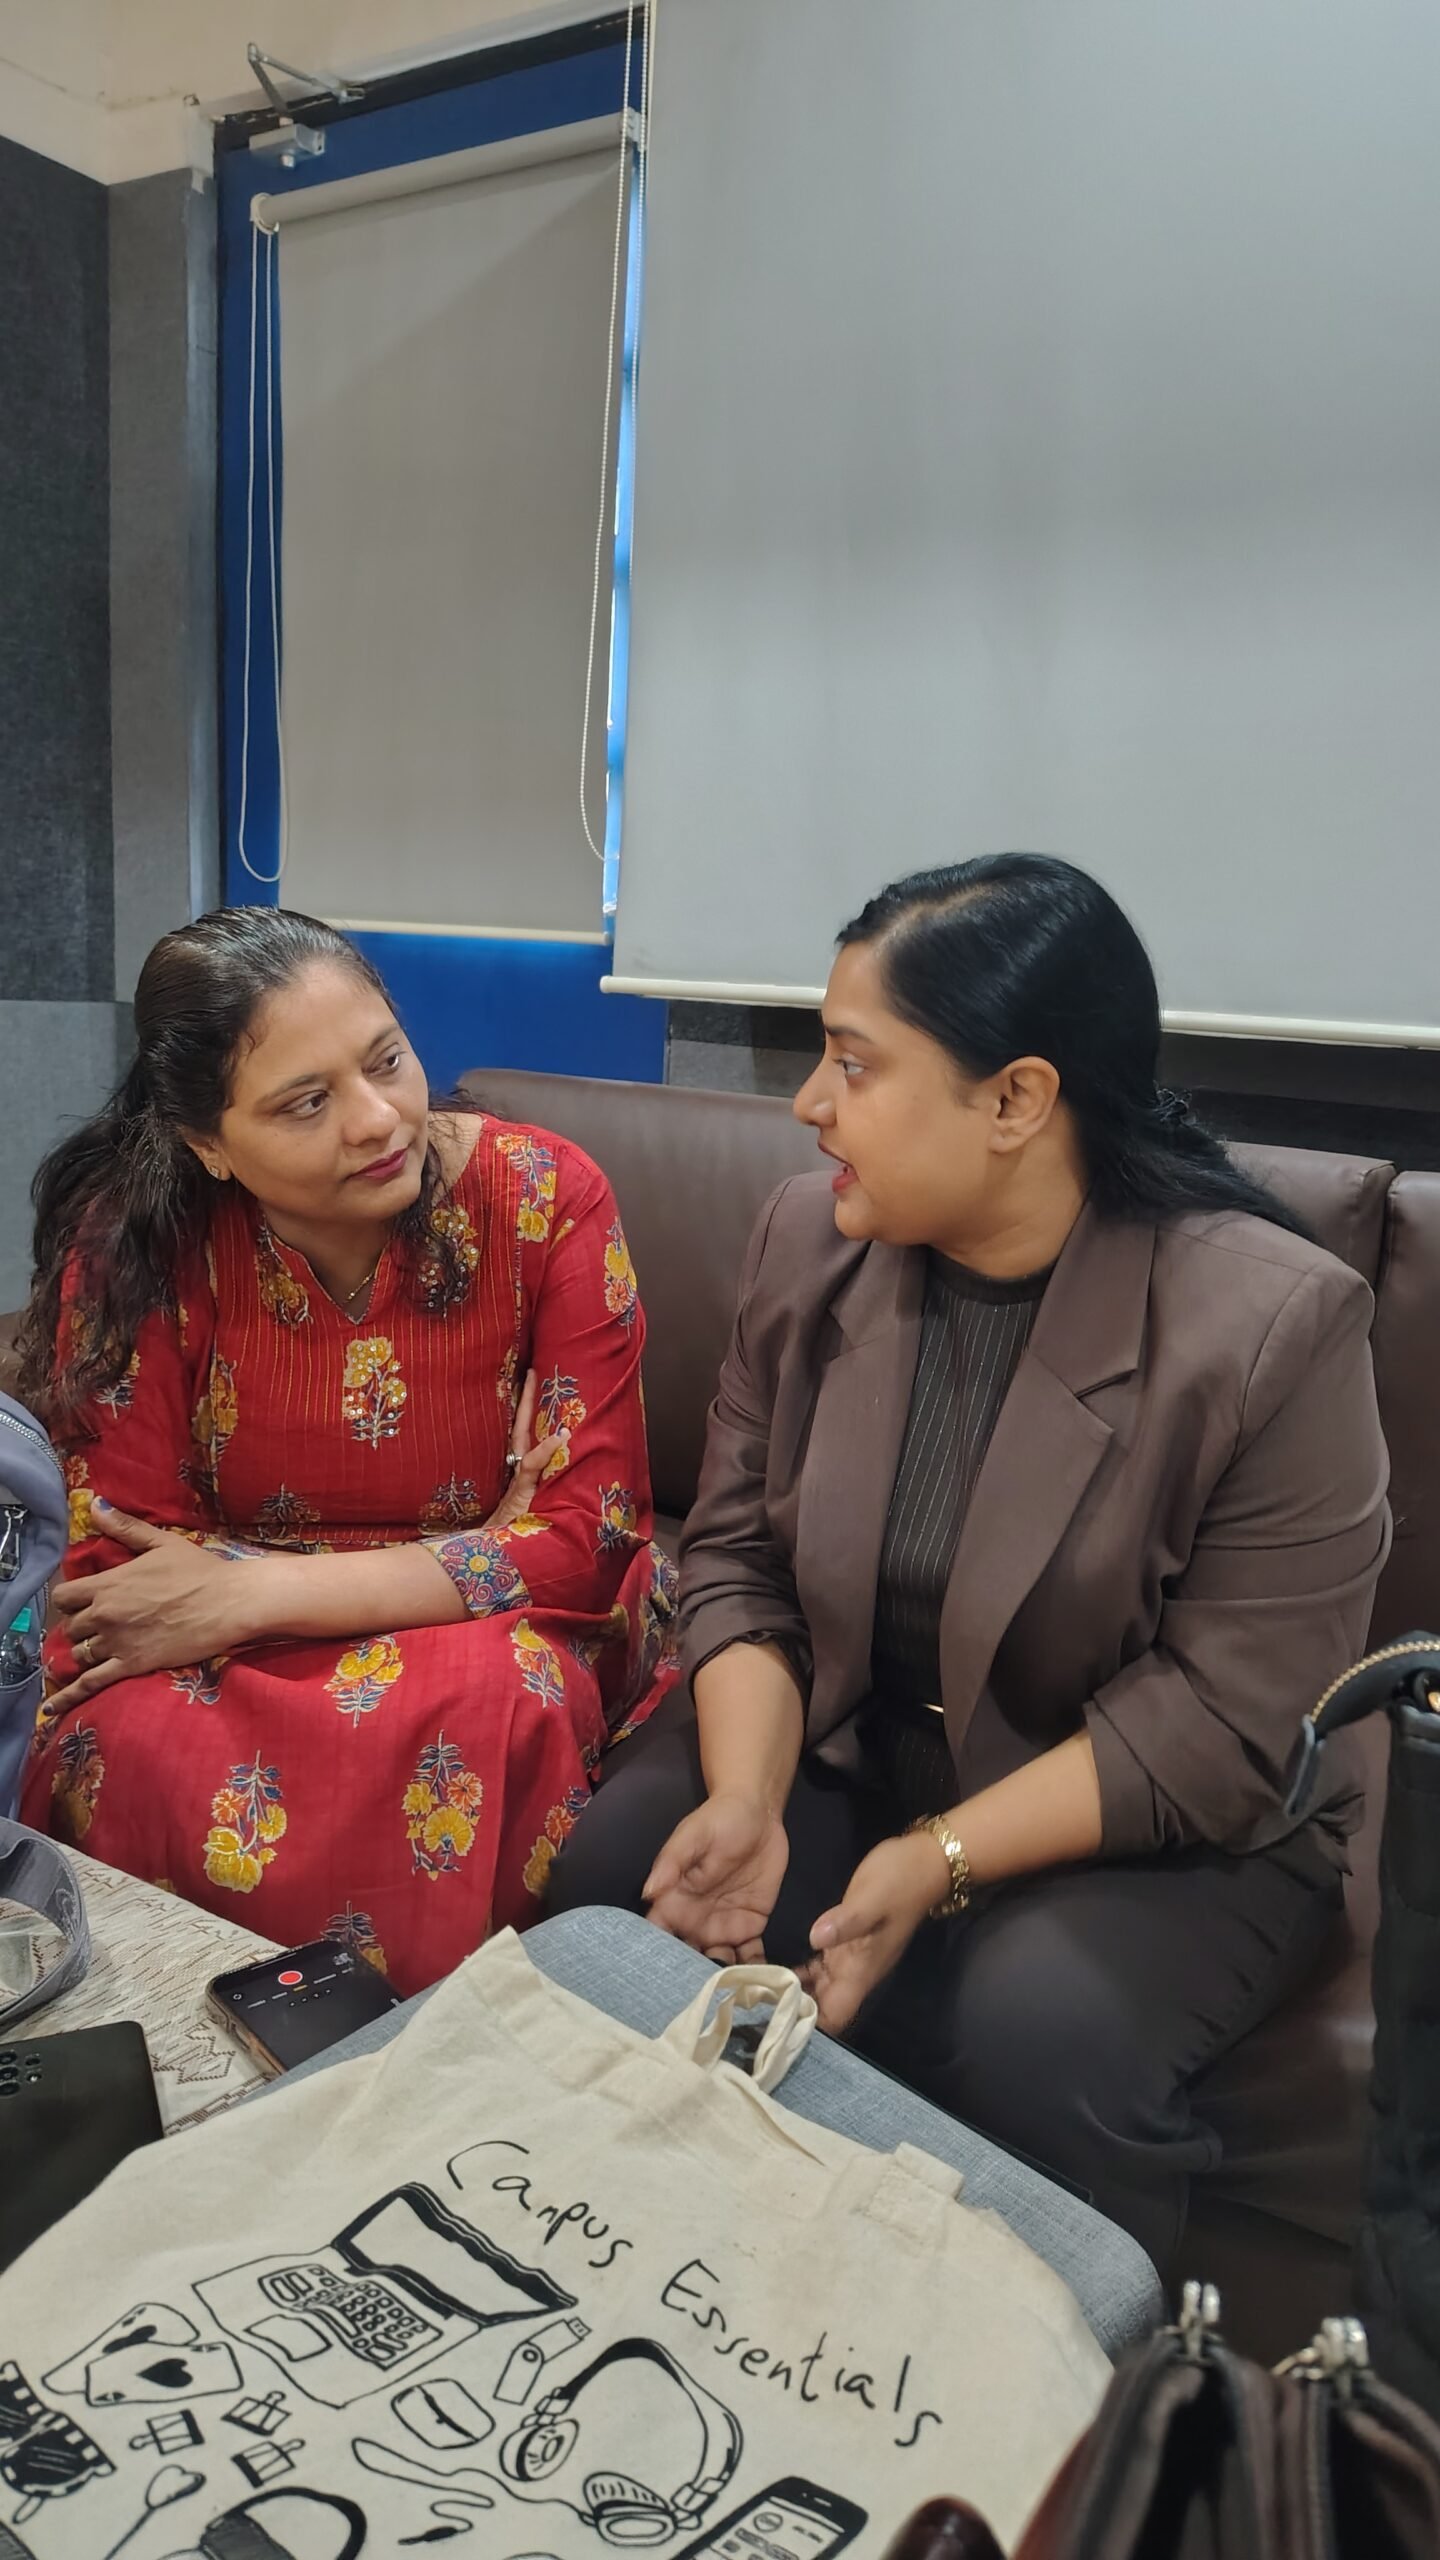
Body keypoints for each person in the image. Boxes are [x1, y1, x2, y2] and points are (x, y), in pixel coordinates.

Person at [549, 853, 1391, 2265]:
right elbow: (740, 1556)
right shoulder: (810, 1240)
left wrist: (936, 1858)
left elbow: (1222, 1721)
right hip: (857, 1744)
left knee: (1035, 2030)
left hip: (1150, 1822)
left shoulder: (1271, 1327)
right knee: (621, 1878)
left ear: (1016, 1100)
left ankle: (1058, 2383)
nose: (809, 1105)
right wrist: (749, 1794)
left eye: (854, 1063)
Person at [18, 907, 677, 1994]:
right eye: (306, 1102)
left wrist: (249, 1588)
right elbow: (116, 1573)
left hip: (478, 1640)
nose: (378, 1122)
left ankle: (442, 2058)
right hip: (290, 1637)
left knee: (506, 1700)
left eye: (387, 1061)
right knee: (124, 1735)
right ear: (208, 1144)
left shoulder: (548, 1197)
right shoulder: (137, 1236)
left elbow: (585, 1545)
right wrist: (481, 1546)